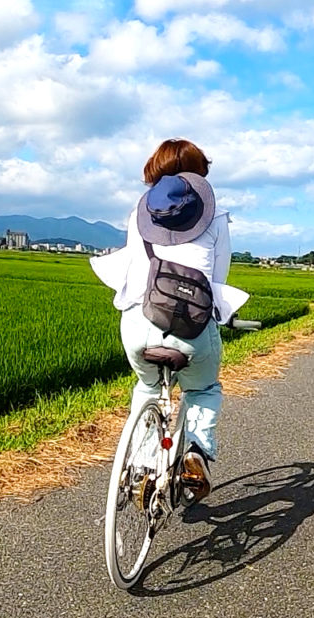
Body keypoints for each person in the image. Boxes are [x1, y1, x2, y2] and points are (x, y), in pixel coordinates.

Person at [90, 139, 248, 500]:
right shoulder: (218, 220)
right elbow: (216, 281)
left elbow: (132, 269)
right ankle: (194, 452)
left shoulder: (138, 214)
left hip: (137, 323)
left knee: (147, 387)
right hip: (191, 328)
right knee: (202, 389)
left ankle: (144, 466)